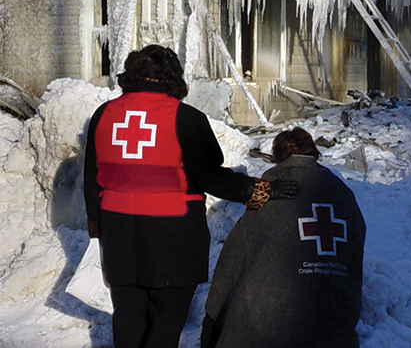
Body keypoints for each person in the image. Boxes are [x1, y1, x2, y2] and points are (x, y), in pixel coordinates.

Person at [83, 44, 300, 348]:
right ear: (173, 76)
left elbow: (91, 179)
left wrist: (97, 227)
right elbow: (210, 176)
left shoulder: (103, 115)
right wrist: (260, 190)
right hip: (172, 239)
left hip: (119, 237)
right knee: (165, 324)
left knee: (128, 320)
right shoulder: (186, 119)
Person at [201, 127, 366, 348]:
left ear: (278, 157)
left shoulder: (273, 193)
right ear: (314, 153)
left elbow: (235, 259)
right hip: (333, 325)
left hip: (270, 326)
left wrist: (213, 317)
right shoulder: (342, 193)